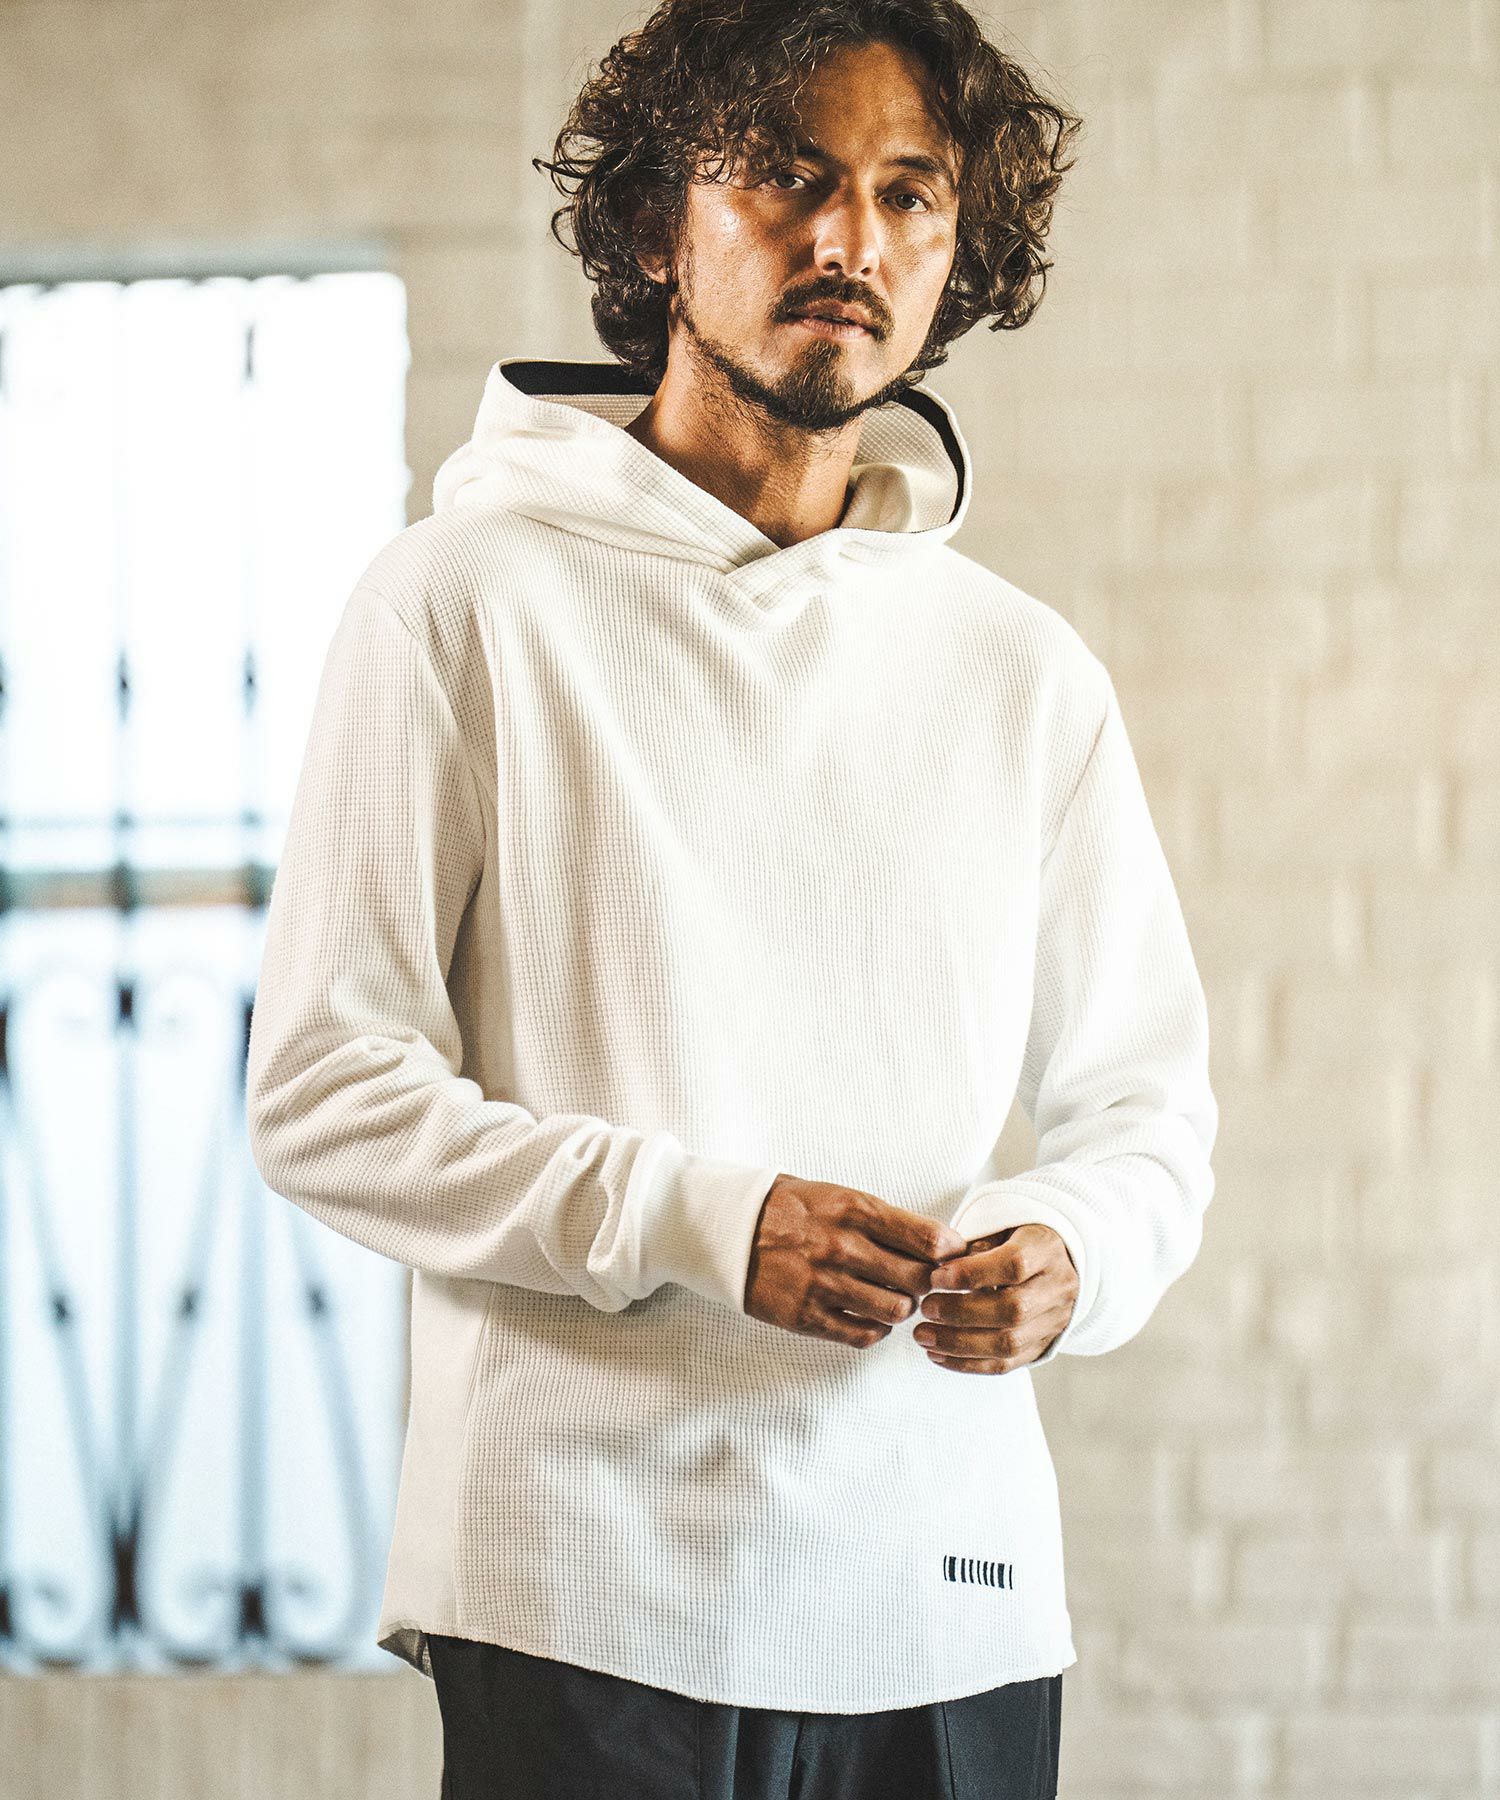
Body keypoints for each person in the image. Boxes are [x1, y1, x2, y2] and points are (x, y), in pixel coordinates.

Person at [244, 1, 1219, 1794]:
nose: (852, 238)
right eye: (786, 174)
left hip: (948, 1602)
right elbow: (323, 1095)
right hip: (584, 1595)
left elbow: (1148, 1115)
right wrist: (706, 1220)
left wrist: (1075, 1249)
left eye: (909, 194)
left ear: (958, 255)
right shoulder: (461, 600)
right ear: (652, 225)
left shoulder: (1020, 671)